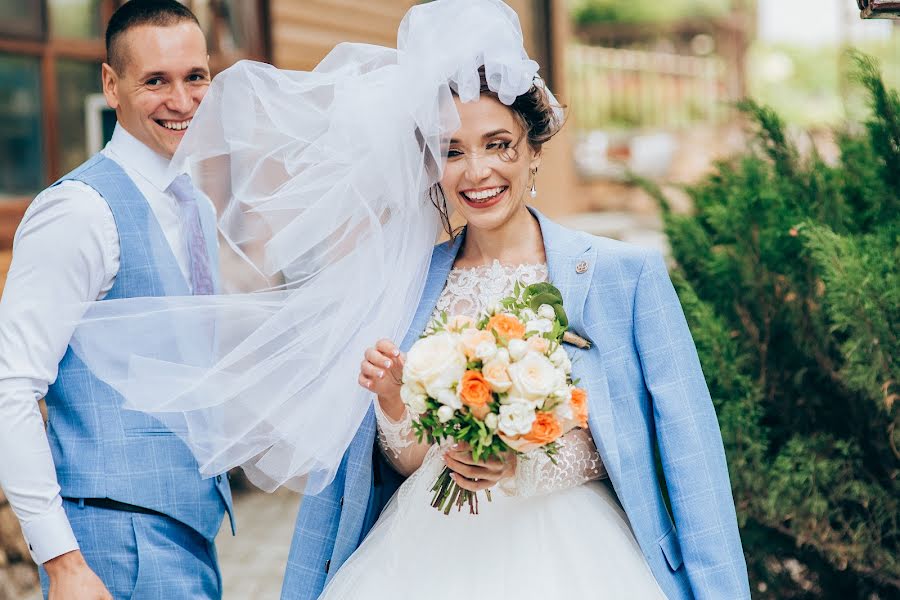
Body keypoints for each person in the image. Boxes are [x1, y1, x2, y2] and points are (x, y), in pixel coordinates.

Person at [283, 2, 751, 599]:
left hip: (577, 556)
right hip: (425, 557)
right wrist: (395, 405)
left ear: (533, 147)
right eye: (453, 150)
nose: (476, 171)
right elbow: (406, 464)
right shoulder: (407, 287)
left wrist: (520, 464)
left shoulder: (621, 276)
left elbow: (688, 453)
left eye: (498, 144)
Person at [0, 1, 233, 598]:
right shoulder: (79, 211)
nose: (181, 102)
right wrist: (64, 564)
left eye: (195, 77)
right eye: (155, 81)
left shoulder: (197, 207)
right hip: (113, 545)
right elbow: (11, 388)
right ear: (111, 84)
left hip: (190, 535)